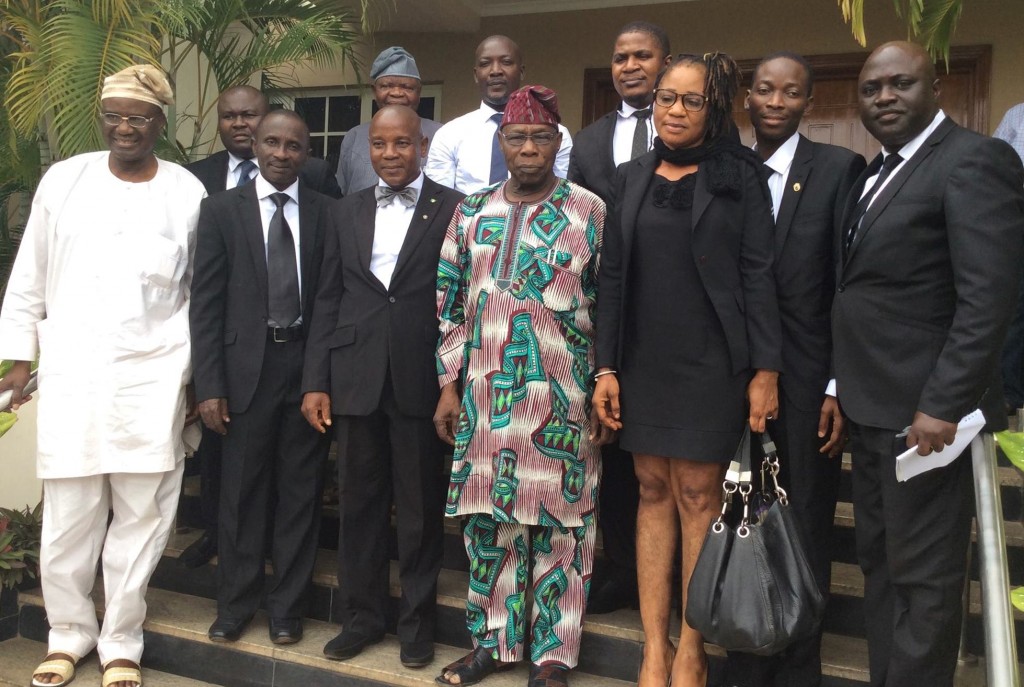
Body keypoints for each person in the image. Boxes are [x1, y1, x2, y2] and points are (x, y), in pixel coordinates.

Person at [0, 64, 206, 687]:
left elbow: (202, 295)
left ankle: (120, 642)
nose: (123, 128)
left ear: (160, 125)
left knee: (142, 521)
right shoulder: (64, 181)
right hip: (74, 377)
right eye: (113, 115)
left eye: (138, 118)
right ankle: (67, 636)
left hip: (155, 378)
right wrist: (17, 361)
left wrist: (197, 379)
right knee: (68, 519)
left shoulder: (187, 193)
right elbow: (29, 276)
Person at [832, 41, 1024, 687]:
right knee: (882, 567)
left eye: (900, 83)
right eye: (871, 88)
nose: (883, 97)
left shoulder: (974, 161)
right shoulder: (873, 173)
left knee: (926, 580)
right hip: (872, 406)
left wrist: (943, 401)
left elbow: (987, 297)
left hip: (929, 422)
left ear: (935, 87)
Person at [592, 53, 782, 687]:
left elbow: (759, 274)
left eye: (690, 100)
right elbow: (612, 278)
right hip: (643, 360)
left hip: (711, 363)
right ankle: (653, 645)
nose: (674, 110)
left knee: (699, 496)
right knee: (650, 491)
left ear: (712, 108)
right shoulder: (629, 177)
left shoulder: (740, 176)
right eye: (665, 99)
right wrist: (606, 367)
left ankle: (691, 648)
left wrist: (765, 369)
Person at [432, 85, 608, 687]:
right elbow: (450, 305)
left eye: (540, 136)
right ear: (500, 141)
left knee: (563, 530)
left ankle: (554, 656)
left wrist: (606, 385)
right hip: (487, 401)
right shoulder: (470, 211)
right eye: (516, 136)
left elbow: (611, 305)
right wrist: (449, 385)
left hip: (564, 401)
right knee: (488, 525)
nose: (528, 147)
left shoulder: (590, 211)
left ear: (558, 141)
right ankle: (491, 643)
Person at [300, 105, 464, 668]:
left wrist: (454, 381)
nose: (390, 155)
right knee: (360, 506)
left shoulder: (454, 208)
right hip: (354, 376)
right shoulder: (345, 212)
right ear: (367, 148)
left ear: (421, 144)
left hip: (421, 377)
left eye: (401, 143)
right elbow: (327, 298)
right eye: (379, 145)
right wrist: (315, 380)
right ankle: (362, 618)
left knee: (419, 512)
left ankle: (417, 627)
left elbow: (462, 301)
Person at [722, 52, 866, 687]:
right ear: (746, 99)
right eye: (764, 90)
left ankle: (798, 662)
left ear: (809, 102)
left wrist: (837, 383)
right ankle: (746, 651)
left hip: (808, 379)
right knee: (738, 512)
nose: (775, 101)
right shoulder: (724, 170)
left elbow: (845, 284)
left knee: (804, 516)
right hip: (730, 379)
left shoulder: (838, 170)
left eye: (791, 92)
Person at [179, 84, 342, 569]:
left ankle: (288, 610)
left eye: (293, 145)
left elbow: (329, 300)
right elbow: (204, 305)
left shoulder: (328, 213)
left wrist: (319, 378)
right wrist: (209, 385)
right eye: (271, 142)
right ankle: (235, 604)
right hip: (244, 367)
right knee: (241, 492)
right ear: (255, 144)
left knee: (299, 494)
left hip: (304, 366)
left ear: (307, 154)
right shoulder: (220, 211)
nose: (281, 153)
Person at [566, 20, 670, 615]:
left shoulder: (696, 129)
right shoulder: (587, 141)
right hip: (607, 315)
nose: (630, 65)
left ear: (664, 62)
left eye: (642, 55)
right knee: (614, 451)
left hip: (677, 318)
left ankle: (675, 579)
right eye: (620, 56)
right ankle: (622, 570)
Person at [425, 35, 573, 195]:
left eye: (506, 62)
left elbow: (564, 195)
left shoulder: (555, 134)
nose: (495, 71)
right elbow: (439, 200)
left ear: (521, 71)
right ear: (476, 74)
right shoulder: (449, 134)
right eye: (485, 64)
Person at [186, 84, 342, 199]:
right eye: (228, 116)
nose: (238, 123)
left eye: (248, 115)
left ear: (268, 118)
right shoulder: (193, 176)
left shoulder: (315, 173)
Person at [334, 46, 442, 195]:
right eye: (387, 86)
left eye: (407, 87)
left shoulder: (442, 135)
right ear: (374, 91)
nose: (396, 93)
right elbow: (342, 194)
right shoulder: (354, 137)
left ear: (419, 92)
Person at [994, 101, 1024, 415]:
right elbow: (997, 164)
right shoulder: (1017, 114)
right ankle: (1011, 394)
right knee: (1015, 308)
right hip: (1018, 221)